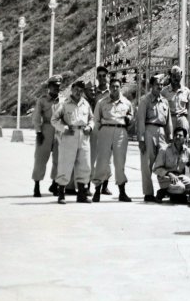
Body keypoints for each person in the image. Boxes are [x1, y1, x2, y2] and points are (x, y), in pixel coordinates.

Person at [91, 78, 134, 202]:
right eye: (112, 86)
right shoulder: (102, 102)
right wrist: (102, 131)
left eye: (117, 86)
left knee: (120, 163)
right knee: (101, 162)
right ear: (109, 88)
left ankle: (122, 191)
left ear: (120, 87)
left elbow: (131, 117)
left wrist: (129, 120)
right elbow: (96, 120)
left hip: (121, 131)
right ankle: (97, 191)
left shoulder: (126, 103)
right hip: (105, 131)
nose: (114, 89)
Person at [51, 80, 94, 204]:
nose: (78, 92)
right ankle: (61, 194)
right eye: (76, 89)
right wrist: (64, 128)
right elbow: (54, 119)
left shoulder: (85, 104)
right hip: (69, 135)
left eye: (81, 90)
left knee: (84, 165)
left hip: (83, 136)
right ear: (71, 89)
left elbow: (91, 119)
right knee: (65, 164)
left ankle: (82, 194)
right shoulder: (64, 104)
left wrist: (90, 127)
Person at [136, 75, 174, 202]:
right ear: (151, 85)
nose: (160, 86)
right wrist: (141, 139)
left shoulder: (165, 101)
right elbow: (140, 121)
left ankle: (165, 190)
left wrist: (171, 137)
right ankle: (148, 192)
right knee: (147, 164)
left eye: (162, 84)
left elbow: (168, 121)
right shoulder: (145, 100)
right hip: (149, 131)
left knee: (164, 162)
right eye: (157, 84)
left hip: (162, 132)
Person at [31, 75, 62, 197]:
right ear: (49, 87)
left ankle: (55, 184)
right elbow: (36, 117)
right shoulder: (42, 100)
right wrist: (38, 132)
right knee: (40, 159)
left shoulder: (63, 100)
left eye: (58, 86)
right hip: (46, 130)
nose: (56, 88)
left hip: (59, 131)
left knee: (58, 160)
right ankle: (36, 185)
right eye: (54, 86)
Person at [153, 126, 190, 204]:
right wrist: (169, 174)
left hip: (179, 177)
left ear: (184, 138)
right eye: (176, 135)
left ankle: (175, 196)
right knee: (181, 188)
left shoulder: (187, 151)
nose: (177, 137)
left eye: (180, 136)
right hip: (165, 178)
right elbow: (156, 168)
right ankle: (163, 191)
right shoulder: (164, 150)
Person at [87, 66, 113, 196]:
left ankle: (105, 185)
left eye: (104, 76)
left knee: (107, 159)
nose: (102, 78)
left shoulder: (112, 92)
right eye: (100, 76)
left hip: (108, 128)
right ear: (97, 77)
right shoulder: (93, 93)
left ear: (108, 77)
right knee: (91, 157)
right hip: (96, 128)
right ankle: (87, 185)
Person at [161, 65, 190, 133]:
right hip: (170, 119)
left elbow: (189, 109)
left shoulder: (186, 91)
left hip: (183, 118)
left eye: (178, 76)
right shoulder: (164, 91)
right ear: (170, 77)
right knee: (169, 140)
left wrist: (188, 122)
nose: (175, 78)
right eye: (173, 76)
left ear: (181, 76)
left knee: (183, 140)